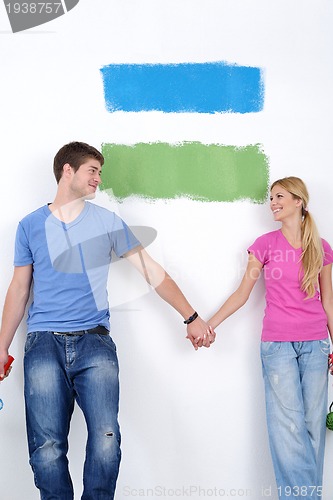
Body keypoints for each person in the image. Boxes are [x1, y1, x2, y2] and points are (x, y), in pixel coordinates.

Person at [0, 141, 215, 500]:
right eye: (93, 171)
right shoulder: (30, 226)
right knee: (46, 448)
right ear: (67, 171)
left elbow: (153, 272)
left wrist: (190, 317)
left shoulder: (107, 222)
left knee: (105, 441)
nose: (99, 179)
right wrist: (1, 346)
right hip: (43, 344)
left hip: (94, 343)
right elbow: (19, 290)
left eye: (99, 172)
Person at [208, 177, 333, 500]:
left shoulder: (321, 246)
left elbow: (328, 301)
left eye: (279, 196)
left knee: (312, 428)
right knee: (287, 429)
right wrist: (211, 324)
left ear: (298, 201)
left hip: (317, 344)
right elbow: (242, 294)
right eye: (271, 197)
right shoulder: (263, 245)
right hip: (277, 346)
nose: (273, 202)